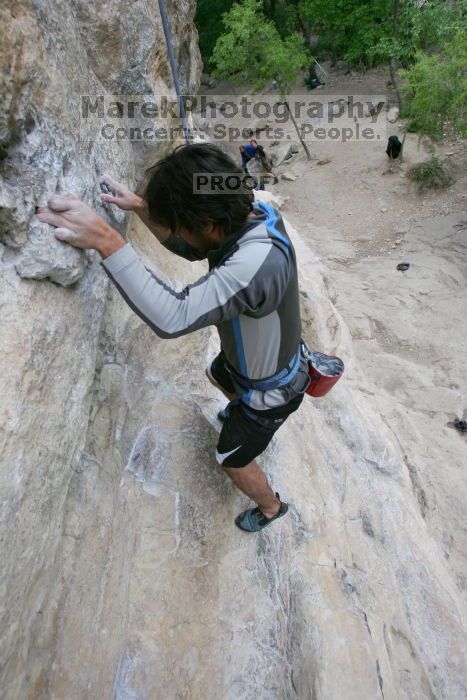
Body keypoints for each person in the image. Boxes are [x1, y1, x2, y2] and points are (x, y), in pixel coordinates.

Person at [36, 144, 309, 533]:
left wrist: (107, 239)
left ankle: (271, 507)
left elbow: (174, 315)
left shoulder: (255, 265)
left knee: (230, 458)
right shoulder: (255, 211)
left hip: (272, 393)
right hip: (254, 366)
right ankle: (240, 412)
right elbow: (197, 246)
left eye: (181, 225)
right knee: (219, 372)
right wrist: (143, 208)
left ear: (208, 226)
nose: (180, 234)